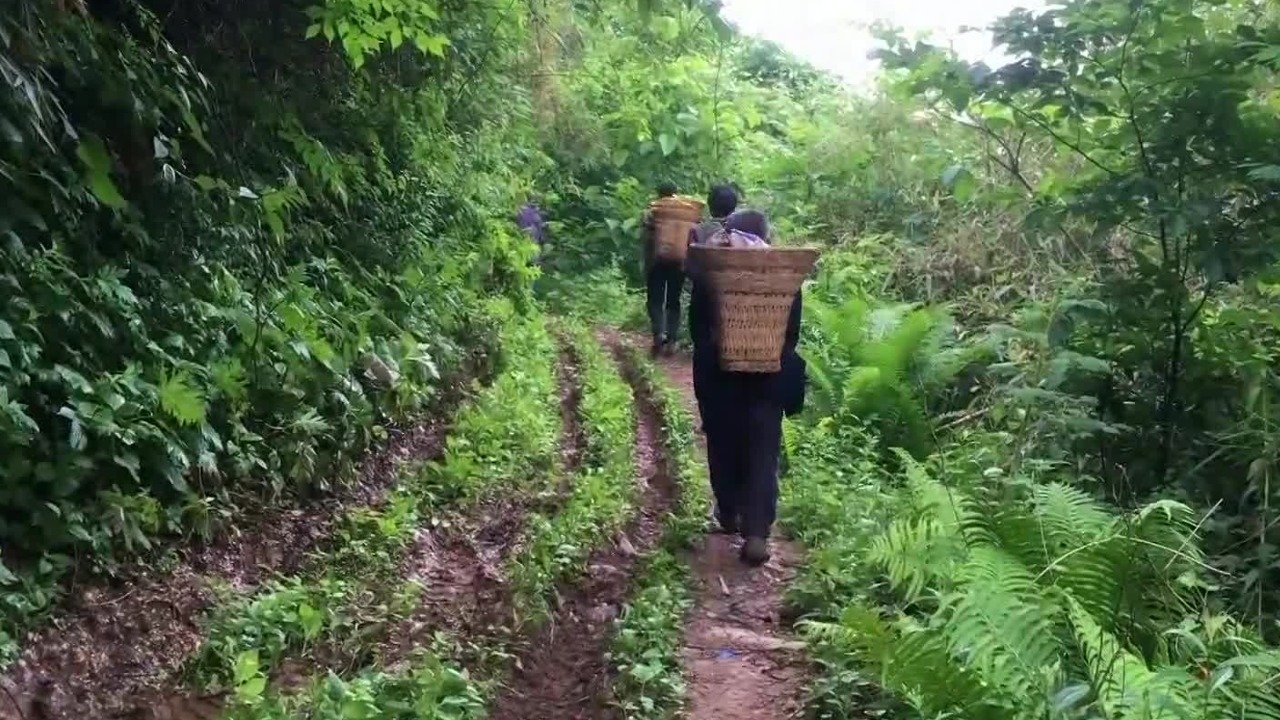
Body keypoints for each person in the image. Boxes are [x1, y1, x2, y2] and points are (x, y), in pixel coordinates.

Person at [687, 194, 806, 566]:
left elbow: (697, 327)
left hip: (720, 376)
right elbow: (792, 332)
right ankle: (756, 532)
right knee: (763, 450)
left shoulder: (714, 274)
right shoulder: (785, 278)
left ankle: (728, 513)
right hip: (768, 377)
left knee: (723, 444)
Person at [640, 181, 685, 355]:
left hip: (655, 261)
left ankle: (658, 334)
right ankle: (672, 340)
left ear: (659, 193)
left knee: (655, 300)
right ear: (675, 193)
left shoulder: (651, 211)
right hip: (678, 262)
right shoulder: (684, 214)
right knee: (674, 301)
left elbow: (645, 231)